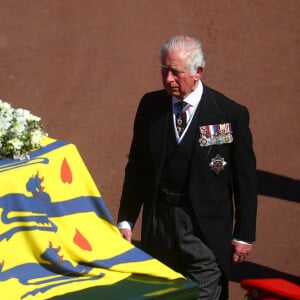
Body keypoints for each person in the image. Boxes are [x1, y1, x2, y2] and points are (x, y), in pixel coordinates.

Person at [117, 35, 257, 300]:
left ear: (198, 72)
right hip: (160, 227)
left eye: (176, 72)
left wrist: (244, 234)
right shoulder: (150, 106)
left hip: (205, 233)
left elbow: (245, 180)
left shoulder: (230, 114)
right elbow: (137, 167)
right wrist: (126, 218)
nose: (168, 78)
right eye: (164, 69)